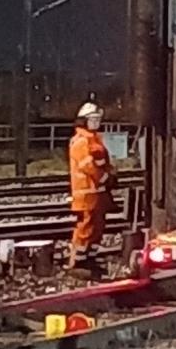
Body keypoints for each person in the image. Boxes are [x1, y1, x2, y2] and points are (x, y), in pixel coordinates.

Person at [68, 101, 112, 273]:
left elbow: (103, 162)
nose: (96, 122)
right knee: (85, 228)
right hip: (86, 194)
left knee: (98, 228)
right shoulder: (80, 141)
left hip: (98, 193)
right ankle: (78, 263)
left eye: (98, 119)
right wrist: (105, 177)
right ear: (84, 120)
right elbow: (88, 166)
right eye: (93, 119)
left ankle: (90, 260)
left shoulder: (94, 139)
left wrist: (110, 174)